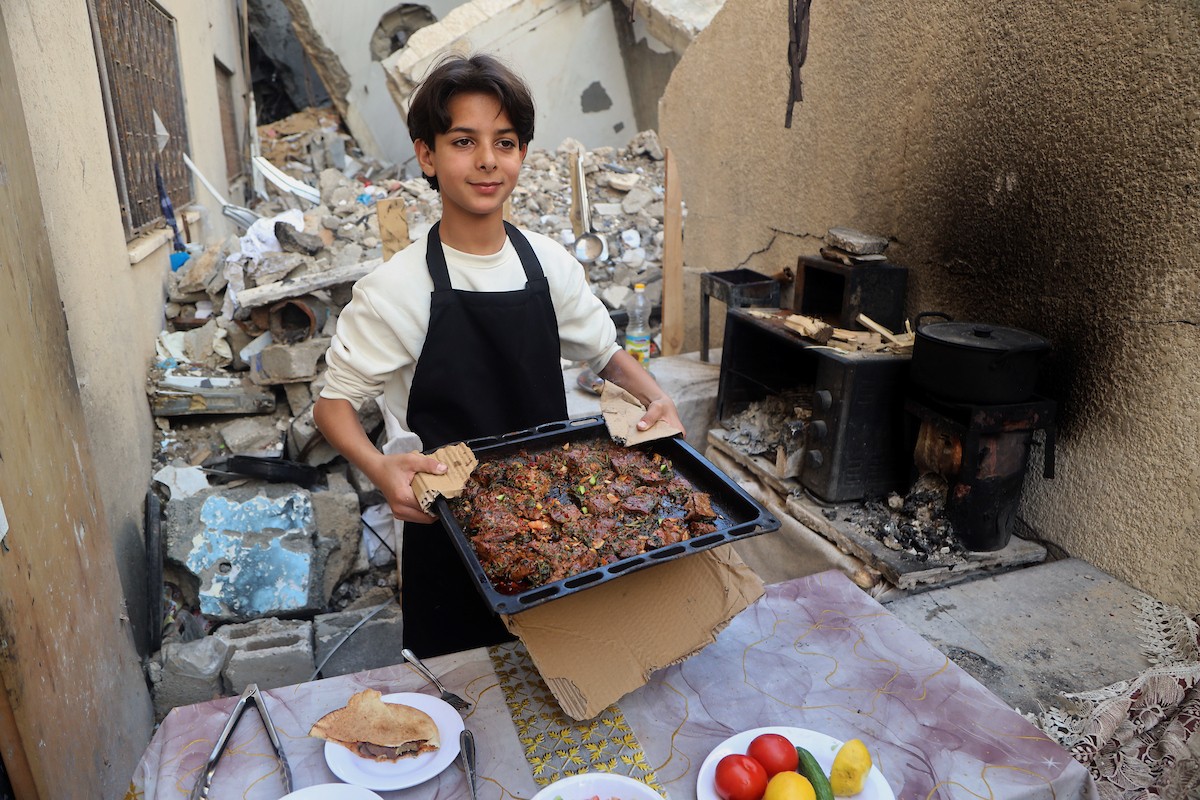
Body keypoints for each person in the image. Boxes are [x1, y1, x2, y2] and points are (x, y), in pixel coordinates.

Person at [314, 52, 685, 658]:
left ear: (521, 154)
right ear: (427, 155)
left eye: (505, 141)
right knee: (465, 695)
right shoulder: (396, 290)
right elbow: (333, 408)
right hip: (448, 532)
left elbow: (607, 354)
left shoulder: (551, 266)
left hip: (556, 517)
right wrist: (381, 470)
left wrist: (655, 397)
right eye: (464, 141)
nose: (488, 160)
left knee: (561, 675)